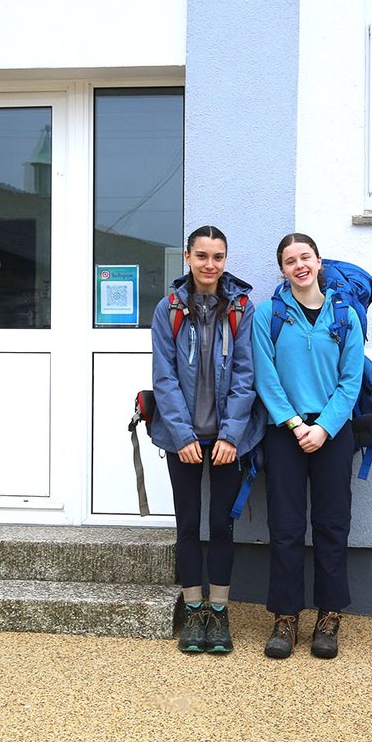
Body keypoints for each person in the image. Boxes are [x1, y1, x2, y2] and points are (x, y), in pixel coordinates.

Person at [150, 225, 262, 654]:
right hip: (182, 439)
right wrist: (180, 435)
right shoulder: (169, 309)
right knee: (188, 525)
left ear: (225, 260)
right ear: (187, 257)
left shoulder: (241, 308)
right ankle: (193, 609)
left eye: (217, 257)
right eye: (202, 256)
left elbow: (246, 375)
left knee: (220, 525)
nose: (209, 265)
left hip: (229, 439)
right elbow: (163, 376)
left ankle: (219, 612)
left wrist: (233, 433)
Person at [252, 233, 363, 660]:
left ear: (318, 262)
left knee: (333, 524)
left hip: (333, 433)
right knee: (285, 525)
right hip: (286, 432)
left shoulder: (344, 314)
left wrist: (326, 428)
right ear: (281, 269)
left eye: (305, 257)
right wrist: (296, 424)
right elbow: (266, 376)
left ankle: (329, 616)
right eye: (289, 260)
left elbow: (350, 379)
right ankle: (285, 616)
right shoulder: (269, 314)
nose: (299, 265)